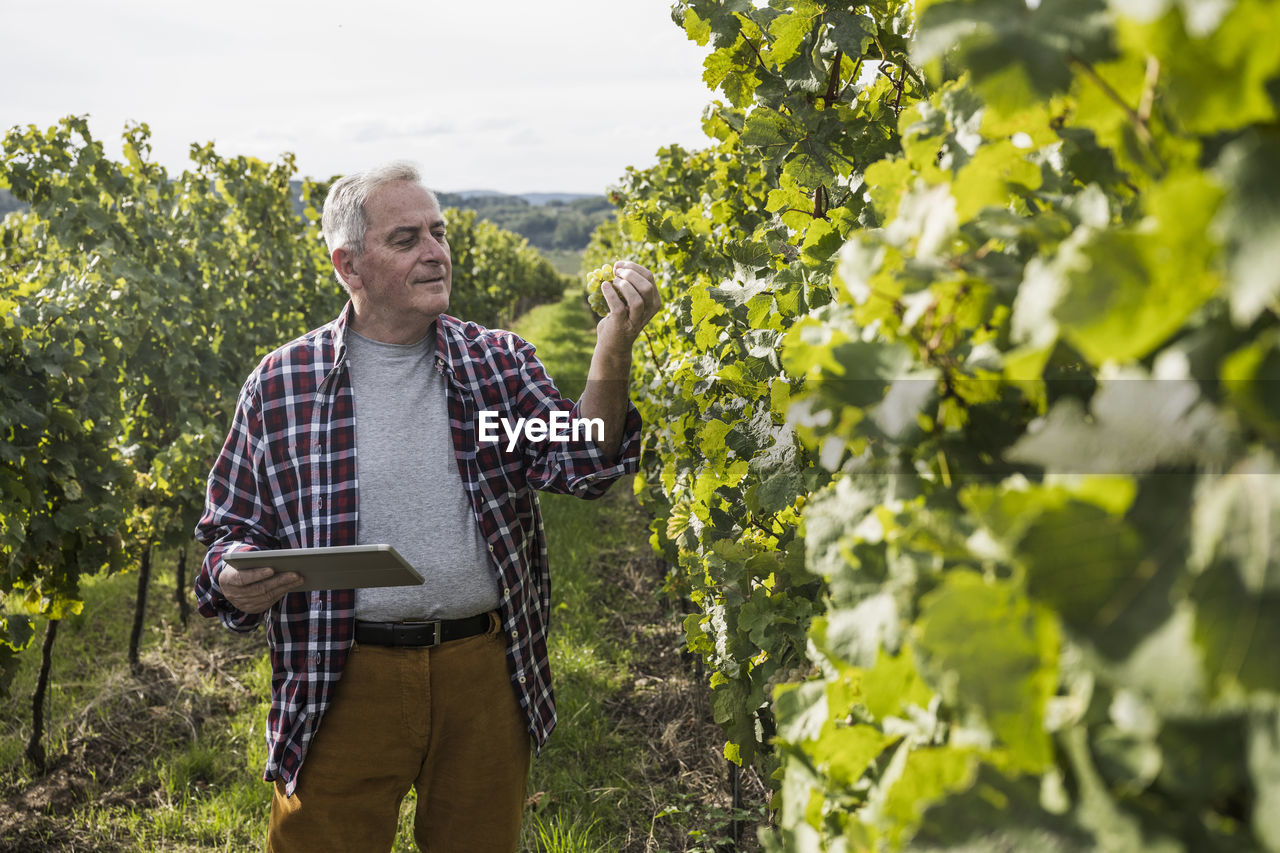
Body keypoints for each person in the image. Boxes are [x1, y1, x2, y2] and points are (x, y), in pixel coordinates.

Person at [193, 161, 660, 852]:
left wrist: (612, 347)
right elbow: (227, 531)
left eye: (438, 232)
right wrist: (233, 572)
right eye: (407, 237)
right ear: (348, 263)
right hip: (339, 676)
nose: (436, 252)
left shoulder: (495, 366)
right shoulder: (282, 384)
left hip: (483, 672)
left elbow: (585, 461)